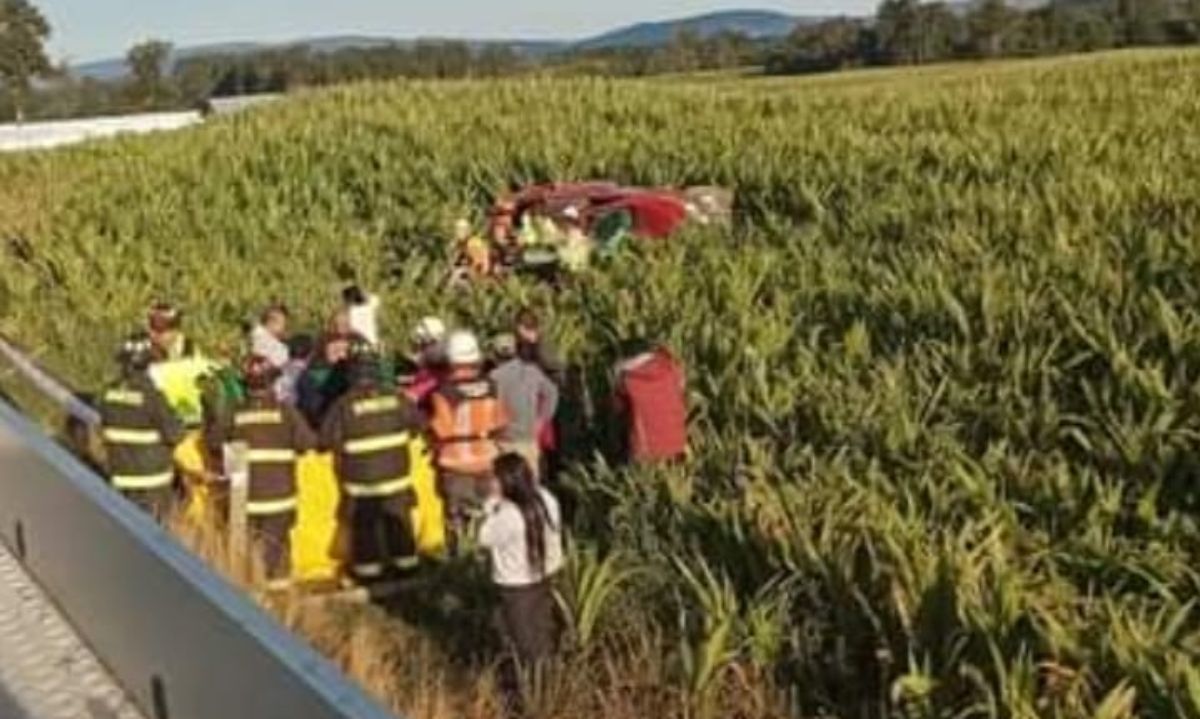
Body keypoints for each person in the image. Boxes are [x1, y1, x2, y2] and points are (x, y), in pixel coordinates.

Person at [207, 355, 316, 588]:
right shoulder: (286, 413)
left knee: (247, 551)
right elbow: (308, 443)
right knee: (277, 553)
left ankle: (250, 593)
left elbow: (214, 443)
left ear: (244, 385)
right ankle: (280, 600)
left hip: (243, 500)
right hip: (280, 499)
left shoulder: (233, 413)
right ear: (272, 383)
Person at [320, 343, 421, 583]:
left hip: (361, 484)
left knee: (365, 530)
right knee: (399, 523)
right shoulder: (396, 399)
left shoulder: (343, 406)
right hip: (397, 480)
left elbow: (325, 440)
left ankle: (369, 575)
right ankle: (408, 568)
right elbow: (418, 425)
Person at [479, 453, 564, 665]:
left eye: (494, 478)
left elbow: (484, 538)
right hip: (544, 575)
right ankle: (550, 680)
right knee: (542, 630)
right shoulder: (546, 499)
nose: (490, 482)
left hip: (516, 586)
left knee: (523, 640)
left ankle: (531, 687)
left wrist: (490, 508)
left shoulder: (507, 515)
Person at [429, 330, 508, 540]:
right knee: (489, 520)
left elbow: (441, 429)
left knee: (459, 524)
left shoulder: (443, 393)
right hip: (488, 463)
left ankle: (462, 564)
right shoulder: (492, 386)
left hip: (457, 468)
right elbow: (501, 422)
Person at [98, 332, 186, 520]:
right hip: (153, 487)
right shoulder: (152, 397)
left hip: (121, 483)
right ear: (147, 364)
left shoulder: (107, 394)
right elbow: (176, 434)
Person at [490, 333, 559, 480]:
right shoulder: (532, 372)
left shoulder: (493, 377)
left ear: (495, 353)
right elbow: (552, 392)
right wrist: (541, 420)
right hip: (528, 438)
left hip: (503, 440)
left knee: (505, 483)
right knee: (530, 482)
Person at [615, 340, 688, 464]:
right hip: (677, 447)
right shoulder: (672, 370)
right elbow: (681, 389)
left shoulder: (627, 380)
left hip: (646, 452)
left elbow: (617, 409)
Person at [145, 302, 216, 427]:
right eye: (153, 329)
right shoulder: (143, 351)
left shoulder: (190, 349)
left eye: (162, 331)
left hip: (191, 419)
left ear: (176, 330)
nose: (155, 335)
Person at [399, 316, 447, 411]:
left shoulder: (437, 350)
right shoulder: (426, 349)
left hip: (432, 388)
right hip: (426, 386)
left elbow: (434, 376)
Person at [249, 304, 290, 370]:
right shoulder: (260, 336)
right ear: (271, 322)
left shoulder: (272, 340)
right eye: (281, 323)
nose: (283, 327)